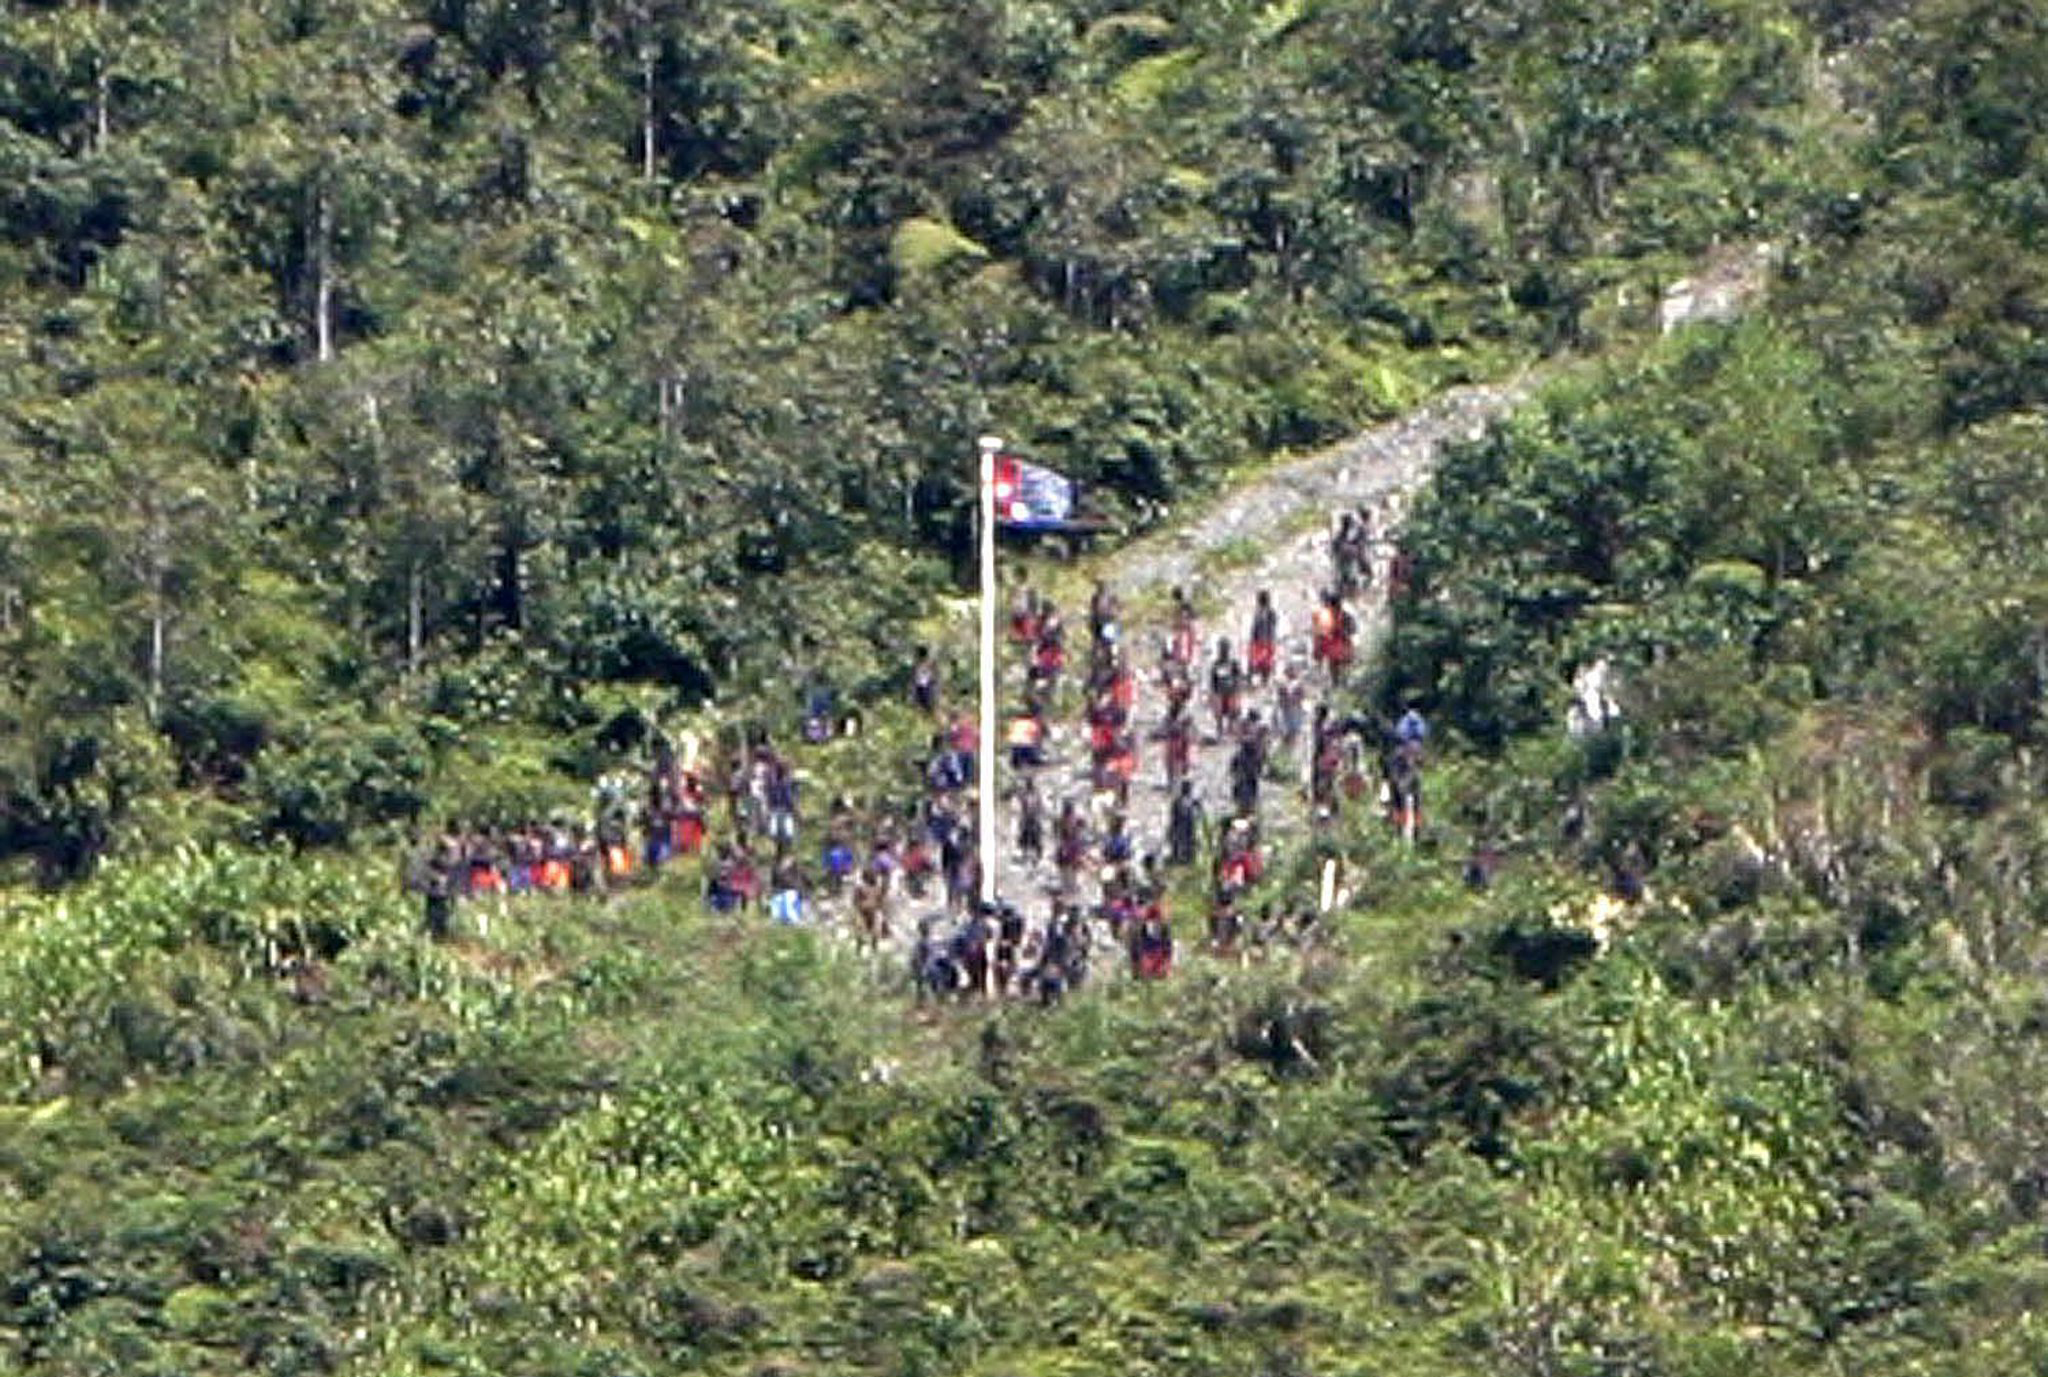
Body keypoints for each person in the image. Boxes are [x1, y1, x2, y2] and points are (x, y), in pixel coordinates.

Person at [1208, 637, 1243, 738]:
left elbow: (1238, 678)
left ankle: (1230, 728)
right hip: (1219, 692)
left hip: (1231, 692)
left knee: (1232, 709)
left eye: (1225, 647)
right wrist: (1213, 693)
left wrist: (1235, 688)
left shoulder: (1233, 663)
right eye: (1221, 647)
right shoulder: (1216, 664)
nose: (1223, 650)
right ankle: (1220, 728)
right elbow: (1213, 679)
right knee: (1218, 710)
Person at [1167, 780, 1204, 867]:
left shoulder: (1191, 801)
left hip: (1189, 825)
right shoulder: (1178, 801)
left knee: (1190, 843)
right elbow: (1173, 815)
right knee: (1179, 842)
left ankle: (1189, 859)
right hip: (1181, 826)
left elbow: (1200, 811)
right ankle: (1179, 858)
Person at [1247, 590, 1278, 686]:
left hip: (1265, 642)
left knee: (1263, 663)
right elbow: (1255, 628)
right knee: (1261, 662)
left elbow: (1271, 626)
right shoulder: (1260, 613)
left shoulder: (1267, 613)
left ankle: (1264, 679)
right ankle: (1261, 679)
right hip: (1263, 641)